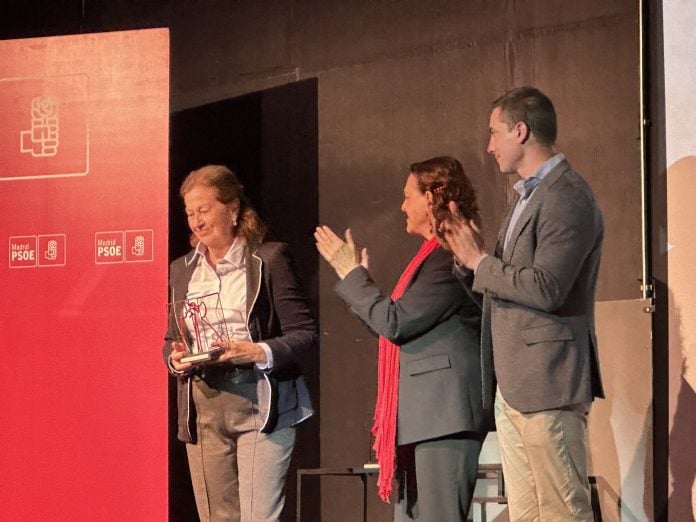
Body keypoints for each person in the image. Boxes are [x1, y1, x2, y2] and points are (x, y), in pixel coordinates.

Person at [441, 86, 604, 521]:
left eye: (494, 133)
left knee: (562, 509)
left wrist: (480, 260)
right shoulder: (526, 196)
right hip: (514, 384)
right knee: (528, 513)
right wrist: (468, 260)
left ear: (520, 130)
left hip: (547, 382)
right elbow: (506, 281)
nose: (489, 145)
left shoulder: (566, 195)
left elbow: (547, 287)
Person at [314, 156, 493, 521]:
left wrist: (351, 274)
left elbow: (396, 322)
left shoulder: (448, 258)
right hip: (422, 418)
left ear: (432, 198)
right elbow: (392, 326)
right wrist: (358, 287)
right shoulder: (429, 258)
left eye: (408, 196)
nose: (401, 206)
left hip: (445, 416)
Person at [162, 164, 317, 522]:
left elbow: (305, 335)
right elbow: (172, 339)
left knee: (258, 517)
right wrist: (175, 359)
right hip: (203, 404)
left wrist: (257, 351)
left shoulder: (269, 259)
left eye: (204, 210)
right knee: (219, 518)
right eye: (189, 213)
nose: (196, 222)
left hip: (259, 403)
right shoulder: (182, 269)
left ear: (232, 210)